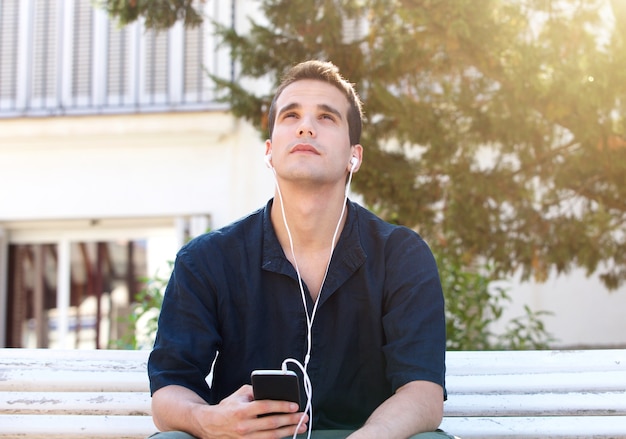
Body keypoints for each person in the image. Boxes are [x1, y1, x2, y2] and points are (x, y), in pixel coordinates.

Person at [147, 60, 455, 439]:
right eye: (291, 115)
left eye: (327, 118)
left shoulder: (401, 255)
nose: (306, 126)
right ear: (269, 151)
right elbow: (169, 390)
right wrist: (207, 421)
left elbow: (423, 393)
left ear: (354, 156)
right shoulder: (206, 260)